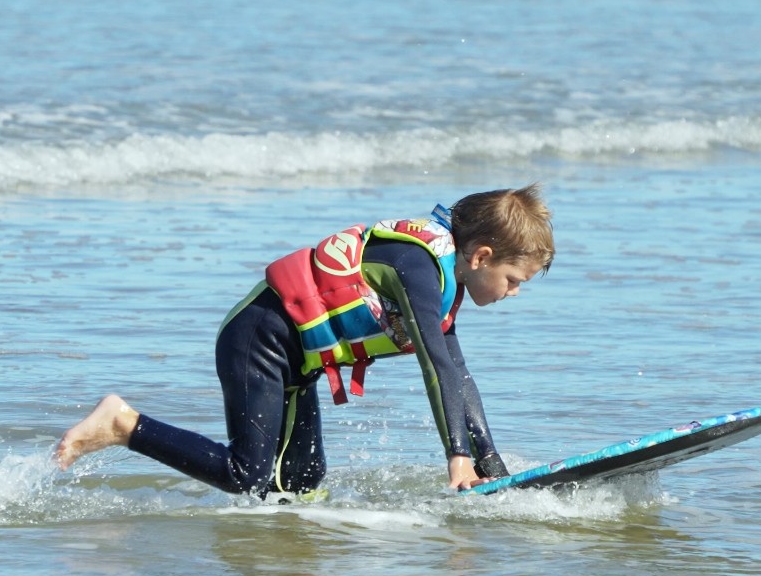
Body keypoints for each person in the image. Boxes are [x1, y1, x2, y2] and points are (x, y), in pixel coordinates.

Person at [53, 185, 555, 496]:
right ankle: (123, 424)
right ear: (482, 256)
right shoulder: (419, 266)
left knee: (301, 485)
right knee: (246, 476)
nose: (511, 294)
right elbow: (435, 366)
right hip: (258, 341)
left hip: (296, 361)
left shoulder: (447, 283)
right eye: (514, 280)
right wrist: (459, 456)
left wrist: (491, 462)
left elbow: (457, 372)